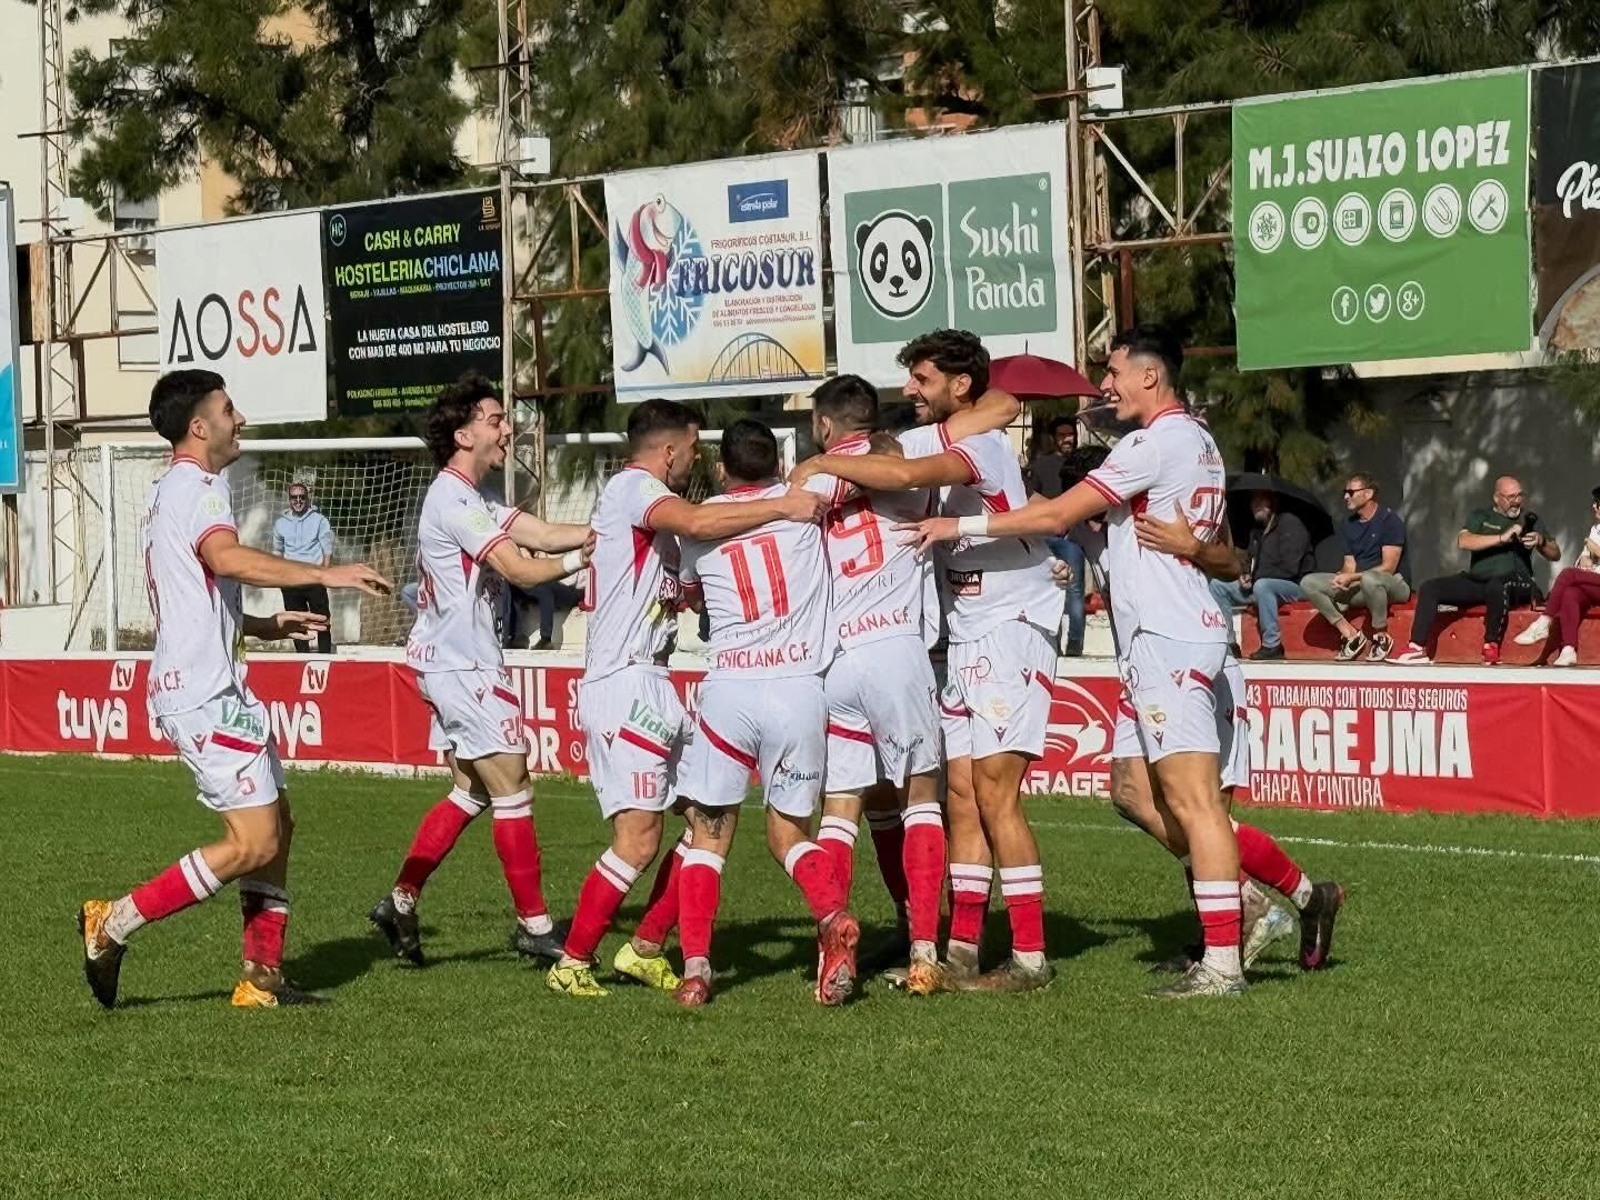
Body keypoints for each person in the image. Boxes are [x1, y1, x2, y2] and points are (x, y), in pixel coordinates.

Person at [903, 326, 1261, 999]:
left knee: (1193, 802)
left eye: (1116, 371)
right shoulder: (1200, 444)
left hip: (1168, 634)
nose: (1107, 384)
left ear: (1151, 377)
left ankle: (1224, 961)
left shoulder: (1153, 444)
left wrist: (962, 526)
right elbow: (1219, 554)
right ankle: (1250, 915)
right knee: (1135, 794)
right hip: (1166, 634)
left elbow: (1057, 513)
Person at [76, 369, 391, 1010]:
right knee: (253, 842)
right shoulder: (202, 487)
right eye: (228, 408)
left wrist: (267, 623)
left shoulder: (172, 492)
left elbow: (200, 595)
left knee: (278, 823)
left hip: (214, 686)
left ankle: (262, 975)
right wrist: (327, 572)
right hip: (202, 694)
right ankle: (111, 923)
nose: (239, 417)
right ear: (200, 426)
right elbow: (226, 560)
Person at [795, 329, 1064, 994]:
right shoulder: (935, 433)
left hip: (1012, 623)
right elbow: (940, 434)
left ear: (958, 385)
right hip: (966, 633)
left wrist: (820, 465)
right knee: (963, 798)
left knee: (995, 793)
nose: (909, 392)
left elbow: (911, 474)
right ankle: (962, 949)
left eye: (921, 380)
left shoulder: (975, 445)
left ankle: (1031, 957)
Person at [547, 400, 828, 998]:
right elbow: (701, 524)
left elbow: (686, 565)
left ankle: (644, 945)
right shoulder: (633, 487)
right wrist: (784, 502)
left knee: (703, 821)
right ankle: (571, 960)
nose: (696, 458)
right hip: (624, 683)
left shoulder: (655, 513)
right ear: (669, 450)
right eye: (693, 446)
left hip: (654, 680)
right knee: (640, 839)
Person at [368, 375, 592, 967]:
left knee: (473, 788)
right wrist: (580, 560)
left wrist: (603, 534)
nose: (506, 428)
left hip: (446, 662)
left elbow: (535, 531)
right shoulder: (455, 501)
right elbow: (520, 568)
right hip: (463, 666)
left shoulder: (471, 497)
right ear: (464, 434)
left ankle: (400, 901)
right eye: (496, 419)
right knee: (514, 784)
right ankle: (535, 926)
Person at [672, 420, 858, 1007]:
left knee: (707, 840)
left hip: (730, 689)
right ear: (778, 462)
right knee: (788, 836)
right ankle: (831, 918)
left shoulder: (699, 532)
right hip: (799, 689)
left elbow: (688, 594)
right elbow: (870, 459)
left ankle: (697, 972)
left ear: (722, 469)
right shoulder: (807, 507)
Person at [1396, 476, 1561, 665]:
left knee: (1498, 585)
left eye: (1519, 496)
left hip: (1516, 583)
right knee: (1430, 587)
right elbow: (1464, 541)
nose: (1516, 501)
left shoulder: (1531, 519)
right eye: (1510, 497)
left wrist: (1540, 541)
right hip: (1478, 581)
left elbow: (1555, 554)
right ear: (1497, 498)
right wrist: (1502, 538)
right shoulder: (1480, 516)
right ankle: (1417, 648)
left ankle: (1491, 645)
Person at [1299, 474, 1410, 661]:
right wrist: (1342, 577)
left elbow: (1388, 568)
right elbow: (1349, 564)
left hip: (1392, 586)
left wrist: (1353, 577)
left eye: (1351, 492)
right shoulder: (1347, 525)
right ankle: (1351, 635)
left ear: (1368, 493)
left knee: (1370, 579)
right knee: (1309, 582)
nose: (1345, 497)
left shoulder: (1390, 521)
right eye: (1345, 492)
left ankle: (1381, 636)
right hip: (1361, 585)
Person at [1208, 491, 1313, 660]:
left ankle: (1273, 645)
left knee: (1263, 585)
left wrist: (1255, 579)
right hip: (1261, 587)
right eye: (1253, 503)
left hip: (1295, 586)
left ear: (1272, 502)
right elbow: (1249, 561)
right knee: (1217, 586)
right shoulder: (1256, 532)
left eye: (1260, 501)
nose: (1255, 506)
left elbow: (1290, 568)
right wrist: (1245, 574)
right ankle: (1229, 645)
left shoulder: (1290, 524)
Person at [1514, 485, 1600, 666]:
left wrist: (1596, 551)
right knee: (1570, 592)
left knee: (1568, 574)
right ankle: (1569, 650)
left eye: (1598, 503)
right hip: (1595, 584)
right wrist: (1585, 557)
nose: (1594, 507)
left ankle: (1544, 622)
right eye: (1594, 503)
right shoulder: (1596, 530)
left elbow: (1593, 550)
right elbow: (1583, 556)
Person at [1029, 415, 1087, 655]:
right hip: (1045, 534)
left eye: (1070, 434)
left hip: (1072, 535)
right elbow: (1031, 496)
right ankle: (1054, 639)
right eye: (1062, 435)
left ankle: (1075, 643)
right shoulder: (1041, 465)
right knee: (1049, 588)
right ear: (1054, 439)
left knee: (1074, 588)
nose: (1067, 439)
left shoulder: (1082, 464)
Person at [271, 483, 335, 654]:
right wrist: (279, 576)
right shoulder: (280, 523)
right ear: (289, 499)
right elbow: (277, 551)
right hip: (291, 581)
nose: (298, 500)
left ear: (308, 498)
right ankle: (302, 657)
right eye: (294, 497)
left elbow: (327, 550)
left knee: (322, 621)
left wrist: (324, 575)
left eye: (302, 497)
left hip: (313, 579)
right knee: (296, 623)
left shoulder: (320, 520)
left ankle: (325, 656)